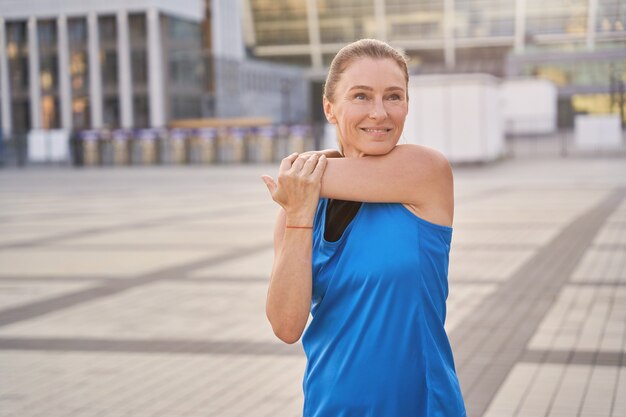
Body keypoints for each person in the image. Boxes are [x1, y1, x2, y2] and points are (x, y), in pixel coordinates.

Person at [261, 39, 466, 416]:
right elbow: (286, 326)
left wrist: (298, 174)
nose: (380, 113)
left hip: (418, 406)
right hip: (329, 406)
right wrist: (300, 217)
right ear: (330, 108)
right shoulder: (303, 200)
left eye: (393, 96)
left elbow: (293, 173)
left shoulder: (425, 172)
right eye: (360, 96)